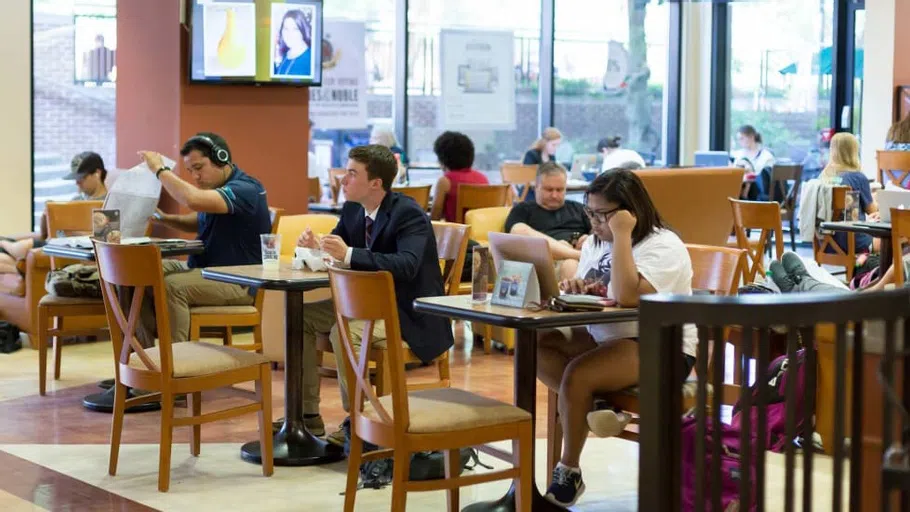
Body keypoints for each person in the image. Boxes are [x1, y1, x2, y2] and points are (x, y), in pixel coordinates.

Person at [538, 169, 697, 507]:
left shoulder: (663, 245)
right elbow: (602, 293)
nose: (593, 222)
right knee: (539, 348)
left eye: (602, 215)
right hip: (607, 340)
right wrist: (579, 287)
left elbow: (626, 296)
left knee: (578, 375)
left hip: (660, 346)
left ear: (629, 212)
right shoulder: (596, 242)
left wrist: (621, 234)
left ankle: (568, 472)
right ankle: (599, 406)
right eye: (589, 213)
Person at [295, 144, 454, 440]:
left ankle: (359, 421)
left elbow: (406, 265)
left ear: (376, 183)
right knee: (301, 318)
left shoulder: (409, 214)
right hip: (366, 303)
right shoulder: (355, 209)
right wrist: (316, 244)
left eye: (352, 174)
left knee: (344, 331)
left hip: (409, 311)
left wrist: (349, 253)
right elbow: (339, 244)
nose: (343, 179)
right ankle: (306, 416)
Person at [136, 132, 272, 346]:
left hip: (239, 280)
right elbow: (199, 220)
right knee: (138, 273)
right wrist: (166, 219)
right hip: (206, 271)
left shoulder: (246, 189)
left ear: (221, 157)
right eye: (190, 171)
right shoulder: (216, 191)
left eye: (199, 168)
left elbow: (193, 200)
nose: (195, 177)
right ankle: (145, 358)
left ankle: (176, 365)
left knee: (172, 286)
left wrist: (159, 170)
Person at [0, 152, 109, 272]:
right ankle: (16, 264)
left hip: (65, 247)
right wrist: (47, 213)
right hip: (53, 240)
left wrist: (68, 229)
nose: (77, 182)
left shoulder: (106, 204)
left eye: (81, 178)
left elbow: (98, 239)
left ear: (97, 173)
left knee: (17, 249)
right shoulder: (77, 200)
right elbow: (44, 234)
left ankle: (5, 245)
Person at [505, 162, 591, 280]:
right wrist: (575, 253)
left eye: (559, 190)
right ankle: (576, 255)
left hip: (579, 262)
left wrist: (590, 238)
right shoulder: (523, 209)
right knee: (518, 229)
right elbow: (514, 236)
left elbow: (601, 235)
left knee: (570, 264)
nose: (554, 195)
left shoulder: (580, 209)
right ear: (536, 188)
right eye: (549, 189)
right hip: (544, 262)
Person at [821, 132, 879, 255]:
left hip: (826, 244)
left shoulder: (823, 178)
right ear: (853, 152)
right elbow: (872, 211)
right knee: (898, 238)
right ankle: (874, 274)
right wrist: (875, 199)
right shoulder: (857, 178)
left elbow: (851, 212)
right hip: (855, 244)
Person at [429, 131, 489, 222]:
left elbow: (434, 218)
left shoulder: (445, 181)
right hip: (479, 233)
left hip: (455, 234)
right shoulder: (483, 178)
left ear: (442, 159)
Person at [732, 125, 776, 200]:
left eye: (742, 138)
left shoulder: (766, 156)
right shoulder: (738, 155)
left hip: (760, 194)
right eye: (738, 139)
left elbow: (766, 179)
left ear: (751, 137)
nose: (740, 142)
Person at [273, 9, 313, 77]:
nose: (289, 34)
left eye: (295, 29)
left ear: (303, 30)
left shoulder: (310, 59)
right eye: (286, 28)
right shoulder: (287, 54)